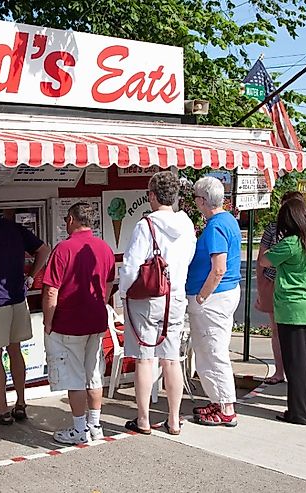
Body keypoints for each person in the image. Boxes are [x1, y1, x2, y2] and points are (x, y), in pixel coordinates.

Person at [120, 171, 196, 435]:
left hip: (148, 298)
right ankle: (174, 419)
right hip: (175, 296)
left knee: (145, 359)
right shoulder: (186, 225)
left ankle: (143, 418)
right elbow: (188, 258)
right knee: (171, 359)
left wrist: (123, 291)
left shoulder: (146, 225)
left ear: (152, 196)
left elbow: (131, 266)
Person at [0, 195, 51, 425]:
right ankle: (21, 403)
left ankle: (2, 410)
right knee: (16, 351)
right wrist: (31, 277)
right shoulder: (14, 228)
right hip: (17, 300)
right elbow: (44, 250)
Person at [41, 203, 115, 444]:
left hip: (70, 323)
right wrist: (100, 305)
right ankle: (95, 425)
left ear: (71, 219)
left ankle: (79, 429)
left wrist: (48, 322)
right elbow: (109, 283)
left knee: (75, 378)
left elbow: (51, 290)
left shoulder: (63, 249)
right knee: (94, 374)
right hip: (96, 321)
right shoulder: (104, 248)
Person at [259, 199, 306, 425]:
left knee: (296, 363)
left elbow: (264, 261)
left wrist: (267, 244)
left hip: (294, 308)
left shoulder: (290, 243)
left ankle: (299, 413)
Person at [186, 176, 242, 427]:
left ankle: (226, 407)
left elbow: (217, 268)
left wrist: (201, 295)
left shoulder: (216, 226)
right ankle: (219, 400)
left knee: (212, 351)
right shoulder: (227, 220)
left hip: (213, 298)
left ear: (202, 200)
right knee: (212, 349)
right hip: (224, 294)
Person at [255, 190, 306, 386]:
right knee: (276, 329)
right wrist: (261, 287)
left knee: (294, 331)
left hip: (294, 284)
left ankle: (295, 371)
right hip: (272, 281)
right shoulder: (272, 228)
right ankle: (279, 370)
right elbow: (261, 260)